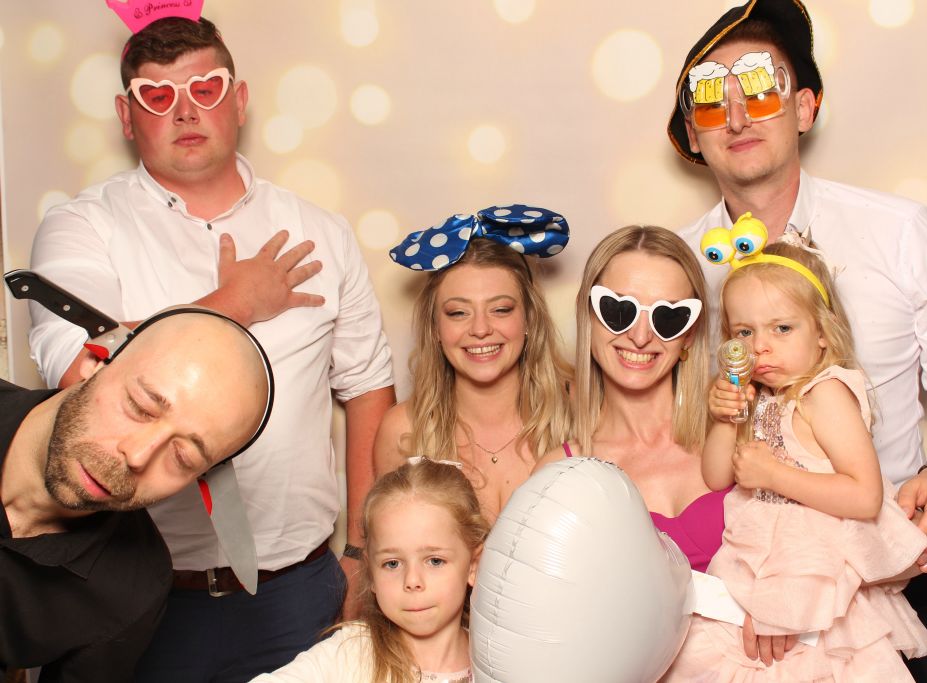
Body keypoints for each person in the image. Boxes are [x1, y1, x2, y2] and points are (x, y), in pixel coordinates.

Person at [27, 13, 395, 681]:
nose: (185, 111)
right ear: (126, 115)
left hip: (297, 593)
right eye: (157, 95)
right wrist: (234, 304)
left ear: (239, 100)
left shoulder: (320, 232)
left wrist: (362, 553)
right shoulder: (81, 227)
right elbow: (81, 374)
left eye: (205, 88)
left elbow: (369, 387)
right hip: (131, 594)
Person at [667, 1, 927, 676]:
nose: (737, 117)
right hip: (741, 584)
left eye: (760, 89)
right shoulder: (675, 268)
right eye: (711, 102)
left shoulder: (898, 230)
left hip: (877, 582)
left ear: (805, 107)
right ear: (693, 135)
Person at [666, 221, 927, 681]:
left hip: (820, 573)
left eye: (782, 328)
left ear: (823, 331)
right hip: (758, 565)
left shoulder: (825, 393)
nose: (760, 346)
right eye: (744, 332)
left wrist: (774, 475)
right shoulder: (761, 396)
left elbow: (865, 496)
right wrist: (725, 417)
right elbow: (716, 477)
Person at [1, 309, 272, 681]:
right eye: (140, 407)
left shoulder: (132, 591)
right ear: (95, 362)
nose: (137, 455)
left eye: (183, 458)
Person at [537, 225, 726, 574]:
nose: (640, 337)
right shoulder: (558, 474)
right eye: (619, 310)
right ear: (588, 316)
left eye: (668, 317)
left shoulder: (738, 431)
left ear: (689, 334)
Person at [374, 206, 572, 521]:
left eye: (501, 309)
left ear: (529, 319)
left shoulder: (581, 414)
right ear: (435, 328)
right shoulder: (402, 431)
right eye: (458, 312)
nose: (480, 329)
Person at [252, 457, 488, 683]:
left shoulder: (496, 662)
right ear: (372, 571)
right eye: (392, 563)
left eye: (435, 561)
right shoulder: (348, 654)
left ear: (473, 565)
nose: (412, 580)